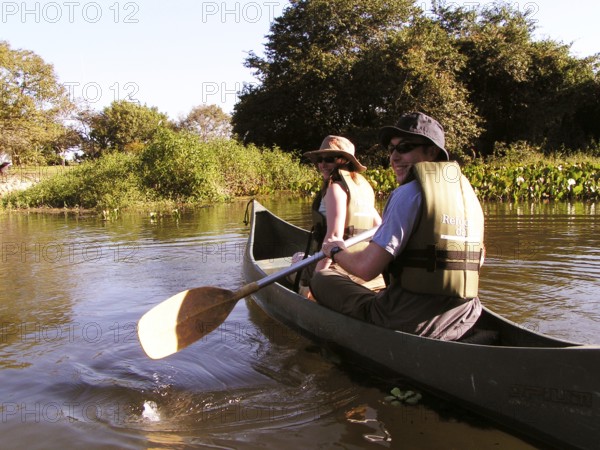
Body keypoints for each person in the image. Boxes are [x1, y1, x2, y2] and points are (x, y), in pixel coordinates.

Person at [310, 112, 485, 340]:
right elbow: (479, 259)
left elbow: (366, 269)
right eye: (391, 150)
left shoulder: (407, 194)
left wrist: (334, 249)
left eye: (404, 148)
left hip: (409, 321)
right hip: (466, 314)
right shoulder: (467, 194)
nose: (394, 158)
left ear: (431, 152)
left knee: (321, 279)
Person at [292, 135, 383, 296]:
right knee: (301, 257)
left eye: (329, 159)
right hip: (361, 264)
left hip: (338, 267)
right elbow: (380, 227)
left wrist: (317, 281)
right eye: (320, 159)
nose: (322, 164)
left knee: (296, 259)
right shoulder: (362, 187)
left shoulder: (335, 189)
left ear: (344, 160)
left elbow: (333, 240)